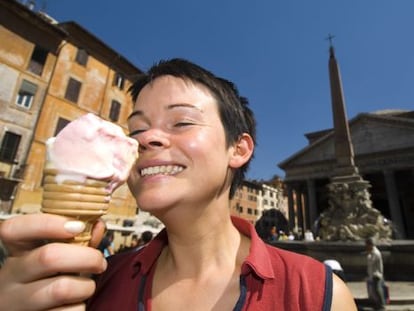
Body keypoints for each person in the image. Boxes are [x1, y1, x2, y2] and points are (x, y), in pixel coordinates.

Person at [0, 58, 357, 310]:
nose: (147, 138)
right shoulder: (88, 285)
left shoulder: (318, 295)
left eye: (181, 122)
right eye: (136, 129)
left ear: (239, 148)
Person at [365, 237, 386, 310]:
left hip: (376, 275)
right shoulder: (373, 252)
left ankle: (381, 305)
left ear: (370, 244)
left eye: (367, 245)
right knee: (375, 290)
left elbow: (371, 262)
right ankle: (378, 304)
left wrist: (368, 254)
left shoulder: (375, 252)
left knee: (377, 290)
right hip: (373, 274)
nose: (366, 246)